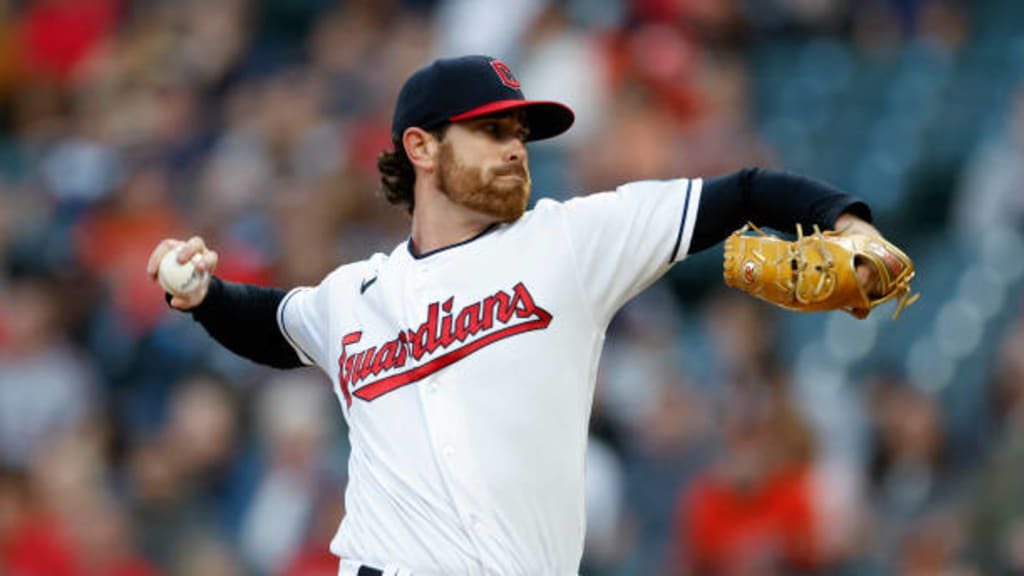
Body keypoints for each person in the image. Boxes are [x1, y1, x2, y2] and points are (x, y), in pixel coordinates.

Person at [146, 55, 888, 576]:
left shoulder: (570, 242)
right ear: (422, 146)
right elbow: (275, 326)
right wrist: (205, 297)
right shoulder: (352, 295)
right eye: (492, 131)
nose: (516, 150)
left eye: (520, 136)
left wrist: (845, 221)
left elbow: (745, 190)